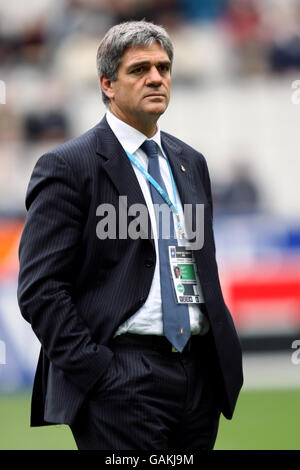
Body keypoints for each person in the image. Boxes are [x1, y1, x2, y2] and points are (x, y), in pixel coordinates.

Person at [17, 20, 243, 451]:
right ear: (107, 84)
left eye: (163, 67)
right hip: (121, 375)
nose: (156, 78)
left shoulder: (189, 162)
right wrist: (98, 371)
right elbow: (40, 288)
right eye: (140, 70)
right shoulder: (68, 165)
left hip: (197, 377)